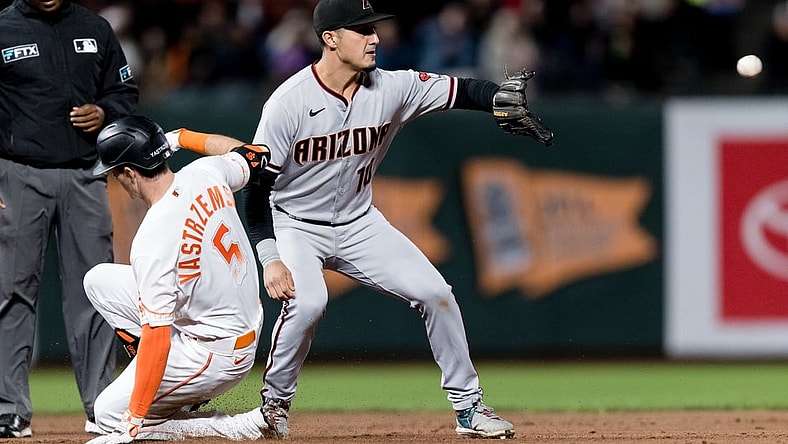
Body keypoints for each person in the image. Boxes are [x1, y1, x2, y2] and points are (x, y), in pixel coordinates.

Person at [242, 0, 552, 439]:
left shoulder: (393, 87)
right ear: (330, 39)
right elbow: (255, 192)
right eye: (362, 30)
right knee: (309, 302)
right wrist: (270, 257)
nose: (376, 38)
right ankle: (274, 406)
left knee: (437, 294)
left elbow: (462, 90)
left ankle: (469, 409)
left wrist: (493, 97)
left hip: (358, 222)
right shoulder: (288, 104)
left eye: (375, 29)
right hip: (293, 224)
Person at [82, 115, 270, 444]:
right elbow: (254, 154)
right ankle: (166, 390)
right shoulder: (205, 172)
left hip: (215, 353)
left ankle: (228, 426)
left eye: (115, 173)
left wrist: (133, 421)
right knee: (98, 280)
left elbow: (157, 338)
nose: (116, 180)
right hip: (237, 322)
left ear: (128, 173)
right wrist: (183, 136)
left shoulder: (152, 240)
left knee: (108, 413)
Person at [0, 0, 138, 438]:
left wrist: (105, 113)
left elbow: (123, 93)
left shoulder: (93, 28)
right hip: (18, 173)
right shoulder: (2, 28)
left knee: (95, 293)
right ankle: (9, 408)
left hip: (85, 175)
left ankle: (102, 404)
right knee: (11, 292)